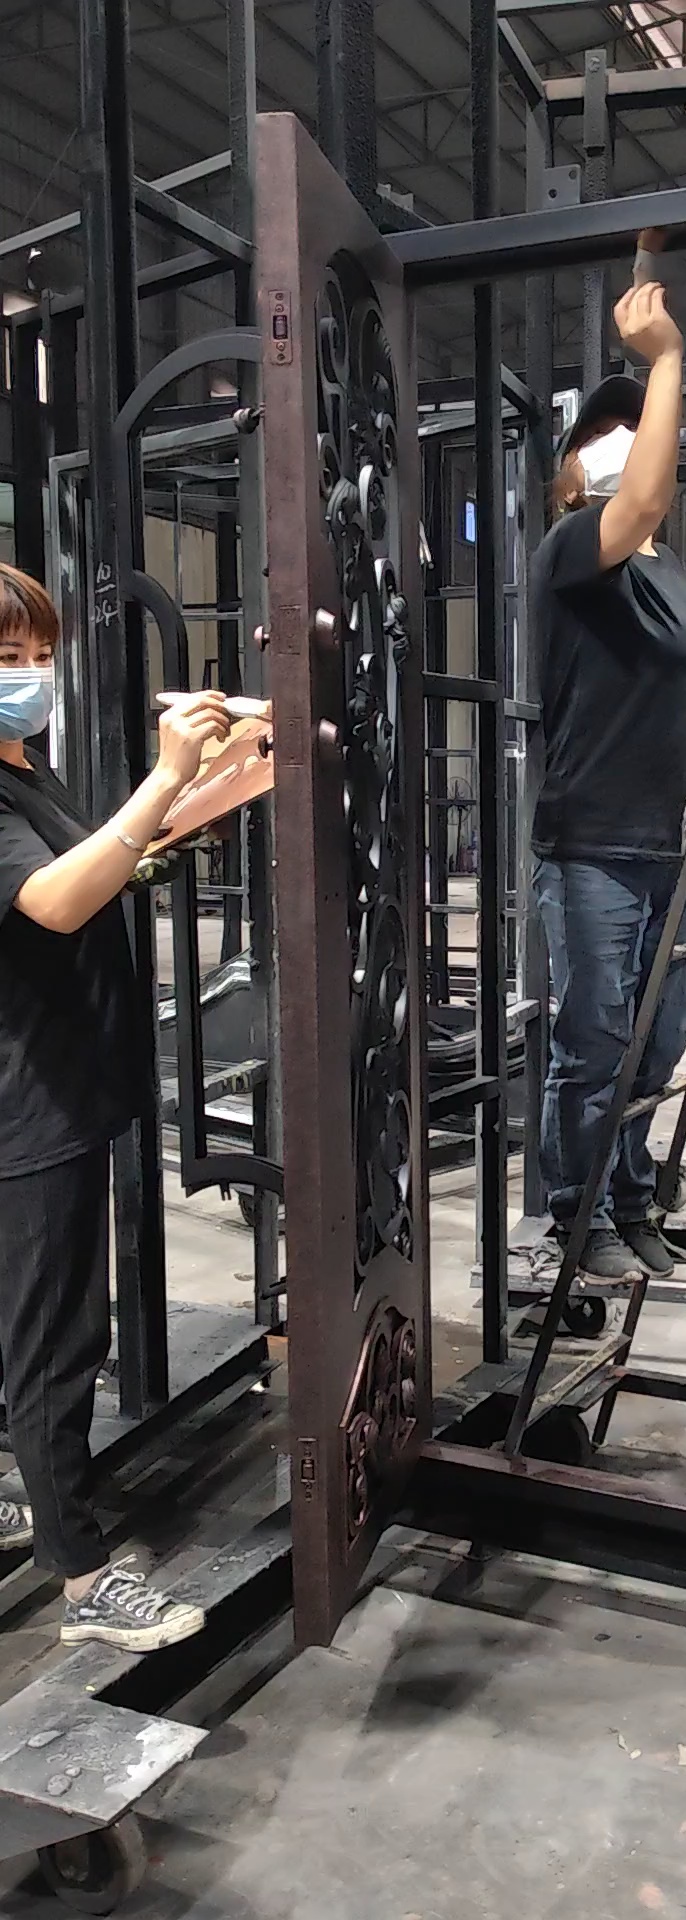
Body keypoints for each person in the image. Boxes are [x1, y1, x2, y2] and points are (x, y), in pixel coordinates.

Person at [0, 561, 231, 1649]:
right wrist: (163, 777)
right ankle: (83, 1580)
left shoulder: (25, 768)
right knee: (58, 1342)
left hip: (66, 1079)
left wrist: (195, 796)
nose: (32, 675)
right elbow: (52, 901)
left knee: (28, 1330)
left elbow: (96, 868)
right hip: (29, 1102)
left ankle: (29, 1500)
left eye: (42, 655)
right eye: (8, 658)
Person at [530, 274, 686, 1284]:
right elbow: (647, 496)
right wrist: (665, 359)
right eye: (600, 436)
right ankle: (574, 1221)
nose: (621, 443)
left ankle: (629, 1204)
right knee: (594, 1046)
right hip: (594, 847)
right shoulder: (575, 550)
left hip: (677, 848)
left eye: (636, 428)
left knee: (655, 1049)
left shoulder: (671, 578)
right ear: (571, 470)